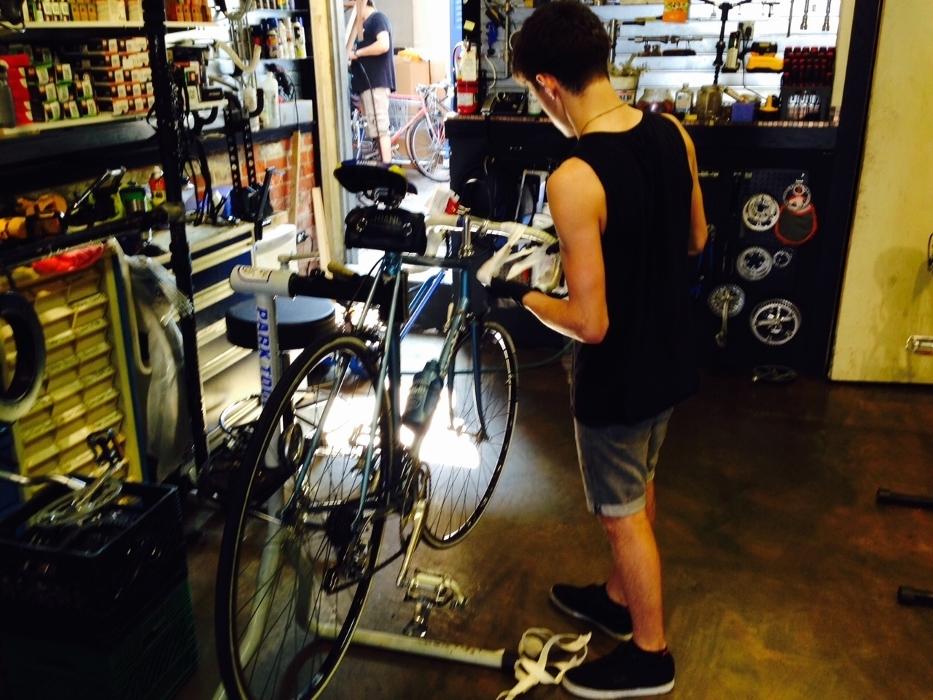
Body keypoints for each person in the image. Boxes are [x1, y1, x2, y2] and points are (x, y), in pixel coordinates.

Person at [487, 2, 709, 697]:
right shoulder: (672, 132)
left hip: (617, 378)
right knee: (640, 485)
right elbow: (696, 239)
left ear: (549, 85)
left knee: (621, 518)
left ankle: (650, 653)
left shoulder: (574, 178)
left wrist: (524, 297)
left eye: (534, 93)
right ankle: (617, 601)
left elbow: (589, 324)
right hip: (672, 355)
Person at [347, 0, 395, 163]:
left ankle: (386, 170)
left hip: (376, 83)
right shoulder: (363, 26)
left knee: (381, 130)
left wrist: (358, 53)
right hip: (368, 85)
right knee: (375, 130)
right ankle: (383, 168)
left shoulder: (377, 18)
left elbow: (383, 44)